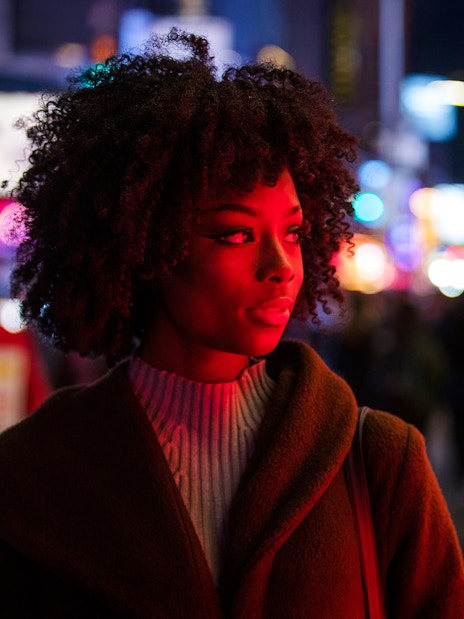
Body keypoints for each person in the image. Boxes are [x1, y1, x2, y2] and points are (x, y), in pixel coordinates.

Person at [0, 29, 462, 618]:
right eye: (236, 234)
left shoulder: (381, 464)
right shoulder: (33, 477)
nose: (282, 266)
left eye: (293, 233)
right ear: (145, 247)